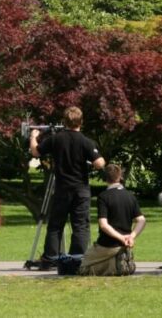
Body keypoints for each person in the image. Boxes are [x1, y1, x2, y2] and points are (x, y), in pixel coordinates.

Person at [30, 106, 105, 267]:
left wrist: (33, 136)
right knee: (80, 225)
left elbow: (36, 152)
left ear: (64, 121)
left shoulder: (57, 139)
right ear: (81, 122)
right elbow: (99, 163)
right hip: (80, 188)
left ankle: (51, 257)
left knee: (56, 224)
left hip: (62, 188)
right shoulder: (85, 141)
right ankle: (77, 258)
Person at [80, 163, 146, 276]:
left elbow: (104, 225)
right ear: (120, 176)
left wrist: (121, 238)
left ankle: (114, 266)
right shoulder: (130, 196)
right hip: (125, 245)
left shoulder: (103, 196)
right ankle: (119, 262)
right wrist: (131, 237)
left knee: (84, 268)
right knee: (106, 258)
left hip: (107, 244)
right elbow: (141, 220)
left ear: (105, 178)